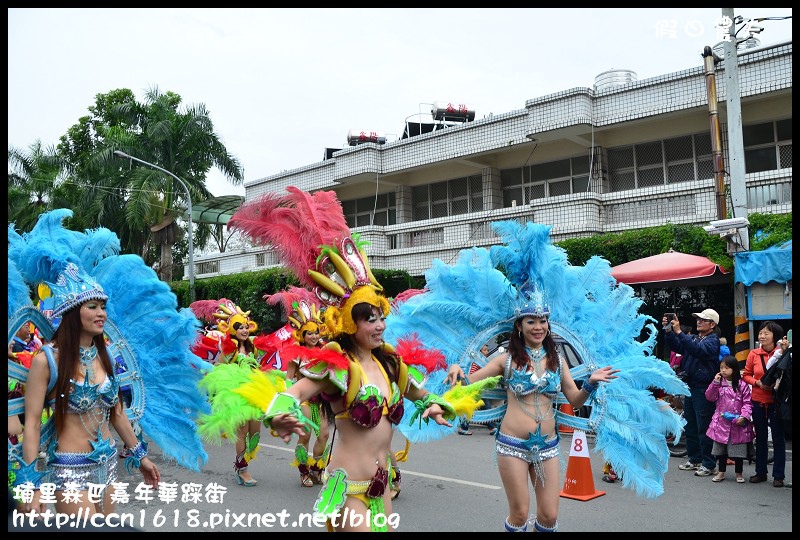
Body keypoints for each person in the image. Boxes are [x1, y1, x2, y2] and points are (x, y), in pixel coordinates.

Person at [202, 187, 491, 532]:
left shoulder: (390, 364)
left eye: (381, 316)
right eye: (370, 319)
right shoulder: (337, 368)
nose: (380, 325)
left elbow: (420, 394)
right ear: (351, 323)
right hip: (347, 487)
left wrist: (439, 405)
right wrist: (279, 415)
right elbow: (292, 393)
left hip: (380, 487)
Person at [8, 208, 209, 517]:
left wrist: (140, 455)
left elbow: (116, 411)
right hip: (70, 470)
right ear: (74, 313)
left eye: (103, 306)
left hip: (108, 466)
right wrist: (32, 484)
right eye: (92, 306)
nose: (101, 313)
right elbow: (32, 423)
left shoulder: (107, 356)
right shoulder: (46, 361)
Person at [446, 296, 618, 533]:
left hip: (548, 446)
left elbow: (575, 400)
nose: (538, 327)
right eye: (531, 321)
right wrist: (456, 368)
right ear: (519, 325)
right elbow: (467, 386)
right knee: (519, 514)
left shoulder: (557, 359)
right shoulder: (505, 360)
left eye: (542, 321)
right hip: (512, 445)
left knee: (549, 516)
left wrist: (590, 383)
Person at [265, 287, 331, 488]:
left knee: (325, 435)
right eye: (309, 333)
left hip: (323, 401)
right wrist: (291, 402)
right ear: (302, 334)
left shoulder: (325, 351)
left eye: (316, 332)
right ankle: (303, 472)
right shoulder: (297, 354)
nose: (313, 335)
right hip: (305, 401)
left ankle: (317, 469)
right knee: (305, 435)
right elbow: (289, 378)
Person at [205, 299, 267, 487]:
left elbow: (258, 367)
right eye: (239, 327)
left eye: (246, 326)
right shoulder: (229, 349)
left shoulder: (252, 348)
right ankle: (242, 470)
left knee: (254, 433)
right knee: (243, 431)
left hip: (253, 394)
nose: (244, 330)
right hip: (237, 396)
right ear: (231, 329)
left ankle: (244, 462)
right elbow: (219, 369)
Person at [664, 308, 721, 477]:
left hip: (703, 388)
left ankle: (709, 463)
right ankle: (694, 459)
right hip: (690, 386)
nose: (698, 321)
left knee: (704, 427)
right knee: (690, 425)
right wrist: (668, 330)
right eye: (698, 319)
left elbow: (697, 350)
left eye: (703, 320)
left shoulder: (713, 341)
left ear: (712, 324)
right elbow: (678, 345)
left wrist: (680, 332)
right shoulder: (695, 338)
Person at [742, 321, 787, 487]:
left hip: (776, 402)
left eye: (766, 333)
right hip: (758, 401)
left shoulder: (782, 353)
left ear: (774, 336)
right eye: (760, 333)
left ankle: (779, 475)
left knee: (778, 439)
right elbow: (746, 375)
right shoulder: (753, 354)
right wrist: (757, 383)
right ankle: (760, 472)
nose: (762, 336)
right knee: (760, 438)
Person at [705, 355, 754, 483]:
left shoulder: (742, 385)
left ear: (734, 369)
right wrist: (714, 383)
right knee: (721, 450)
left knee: (738, 450)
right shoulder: (719, 383)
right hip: (722, 422)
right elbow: (710, 397)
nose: (723, 370)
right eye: (721, 367)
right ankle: (721, 472)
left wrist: (744, 416)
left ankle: (739, 473)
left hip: (738, 422)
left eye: (727, 368)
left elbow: (747, 403)